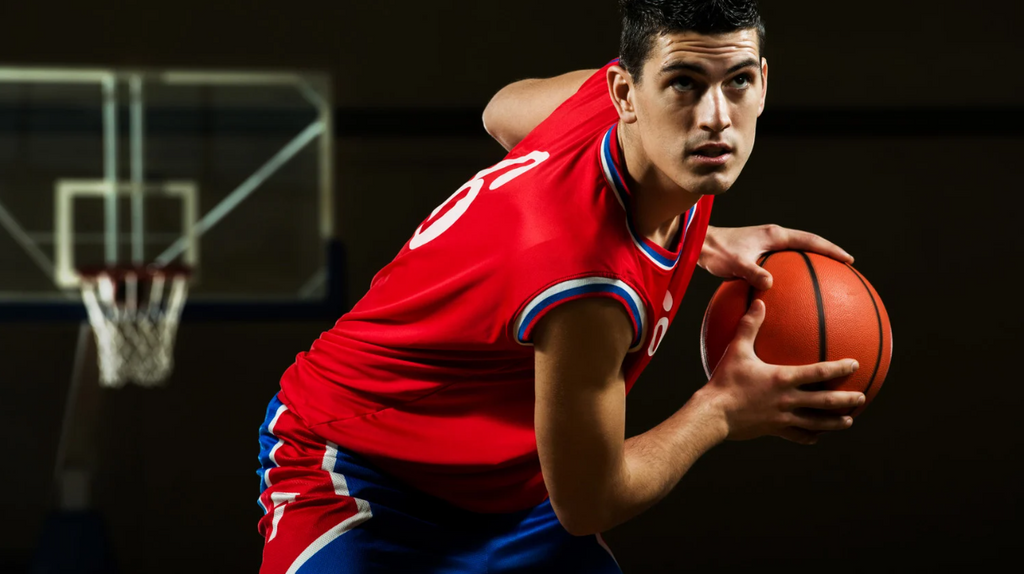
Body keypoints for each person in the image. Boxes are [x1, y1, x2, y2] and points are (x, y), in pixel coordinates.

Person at [256, 1, 865, 572]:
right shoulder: (584, 281)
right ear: (626, 93)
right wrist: (722, 409)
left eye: (737, 81)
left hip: (504, 491)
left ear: (763, 80)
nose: (715, 117)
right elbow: (590, 502)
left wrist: (702, 239)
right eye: (683, 83)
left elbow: (501, 110)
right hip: (357, 469)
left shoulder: (603, 111)